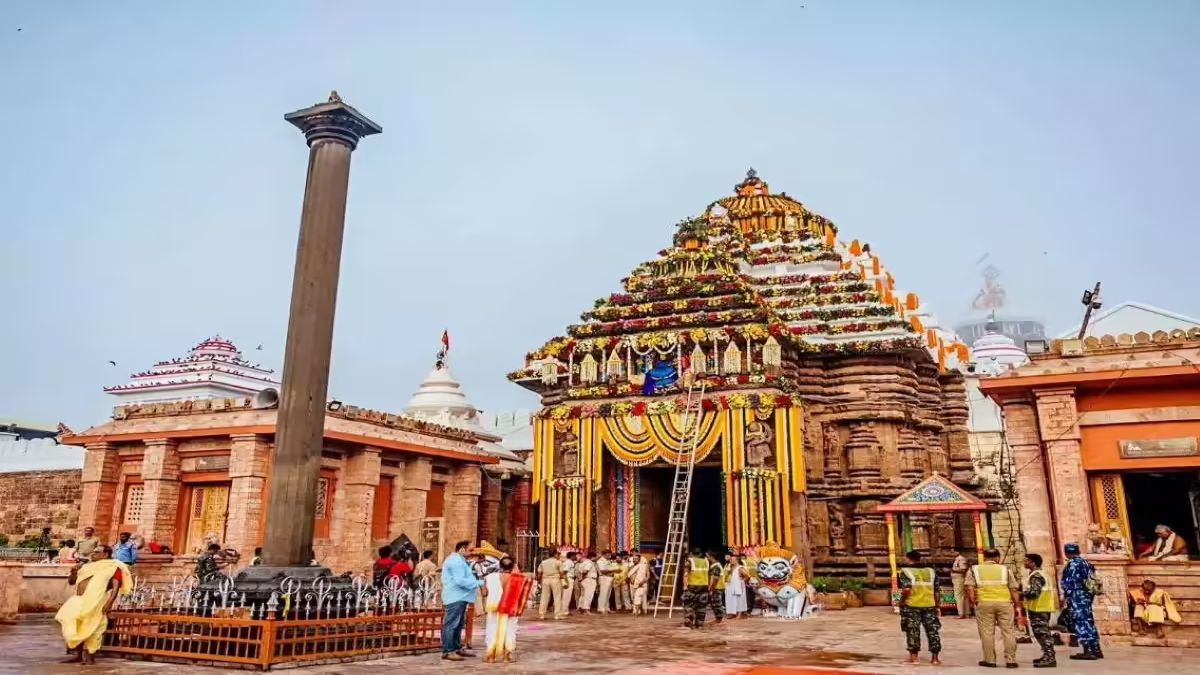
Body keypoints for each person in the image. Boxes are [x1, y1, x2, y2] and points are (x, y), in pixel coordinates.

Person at [55, 545, 133, 664]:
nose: (93, 554)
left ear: (106, 554)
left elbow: (116, 587)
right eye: (94, 551)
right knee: (74, 624)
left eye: (97, 552)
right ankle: (78, 655)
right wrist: (74, 572)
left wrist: (109, 603)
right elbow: (72, 582)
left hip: (97, 601)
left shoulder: (113, 567)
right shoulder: (86, 567)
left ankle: (90, 657)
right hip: (79, 599)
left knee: (93, 627)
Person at [966, 548, 1020, 668]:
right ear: (997, 557)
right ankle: (1011, 660)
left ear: (984, 557)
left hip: (984, 603)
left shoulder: (974, 569)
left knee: (987, 633)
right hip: (1005, 603)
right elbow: (1013, 589)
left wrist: (973, 603)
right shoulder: (1005, 569)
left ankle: (990, 660)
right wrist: (1017, 605)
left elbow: (970, 588)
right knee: (1008, 631)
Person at [482, 556, 533, 663]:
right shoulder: (518, 579)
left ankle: (491, 656)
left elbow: (484, 593)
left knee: (492, 629)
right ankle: (507, 656)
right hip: (510, 607)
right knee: (510, 630)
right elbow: (525, 589)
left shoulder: (490, 577)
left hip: (494, 606)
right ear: (513, 566)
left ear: (500, 566)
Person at [441, 540, 483, 662]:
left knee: (458, 624)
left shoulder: (461, 560)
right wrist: (479, 583)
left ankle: (456, 647)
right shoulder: (456, 561)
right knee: (452, 624)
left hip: (461, 596)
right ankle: (448, 650)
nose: (472, 552)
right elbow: (460, 581)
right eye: (470, 550)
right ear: (462, 549)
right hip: (455, 596)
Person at [898, 550, 942, 665]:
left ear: (908, 559)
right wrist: (937, 605)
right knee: (933, 631)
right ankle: (935, 658)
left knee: (912, 630)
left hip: (912, 605)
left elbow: (906, 589)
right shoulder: (931, 572)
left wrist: (901, 602)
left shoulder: (905, 571)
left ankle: (914, 657)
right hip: (930, 605)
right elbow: (937, 591)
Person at [1061, 542, 1102, 660]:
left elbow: (1070, 583)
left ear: (1067, 553)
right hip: (1087, 596)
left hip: (1077, 597)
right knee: (1089, 621)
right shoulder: (1086, 563)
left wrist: (1065, 598)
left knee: (1081, 623)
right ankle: (1096, 649)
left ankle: (1087, 651)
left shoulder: (1072, 564)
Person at [1021, 553, 1057, 668]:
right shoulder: (1040, 574)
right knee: (1041, 633)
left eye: (1027, 561)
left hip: (1039, 609)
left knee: (1043, 634)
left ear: (1033, 563)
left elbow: (1034, 593)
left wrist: (1022, 594)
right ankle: (1047, 655)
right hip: (1041, 608)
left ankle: (1050, 657)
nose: (1024, 562)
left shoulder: (1036, 576)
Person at [681, 548, 711, 628]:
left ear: (691, 553)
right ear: (700, 554)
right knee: (701, 606)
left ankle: (689, 622)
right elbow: (708, 574)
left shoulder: (689, 561)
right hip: (704, 586)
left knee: (689, 605)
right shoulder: (706, 561)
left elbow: (685, 574)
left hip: (692, 586)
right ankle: (699, 624)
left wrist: (685, 586)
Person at [536, 550, 564, 620]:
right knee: (557, 597)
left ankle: (541, 614)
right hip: (555, 580)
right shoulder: (558, 562)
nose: (558, 556)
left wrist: (539, 582)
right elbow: (561, 573)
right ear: (555, 554)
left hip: (545, 580)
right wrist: (563, 580)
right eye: (558, 554)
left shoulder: (543, 562)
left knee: (544, 597)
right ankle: (557, 615)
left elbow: (539, 573)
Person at [724, 554, 749, 619]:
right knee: (731, 599)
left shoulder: (740, 568)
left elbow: (747, 576)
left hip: (738, 586)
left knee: (739, 599)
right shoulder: (731, 567)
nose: (730, 561)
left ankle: (739, 614)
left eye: (732, 560)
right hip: (731, 586)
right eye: (730, 559)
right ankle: (732, 613)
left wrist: (742, 581)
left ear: (737, 560)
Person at [705, 550, 726, 623]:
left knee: (717, 603)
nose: (706, 558)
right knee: (715, 603)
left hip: (717, 587)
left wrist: (711, 589)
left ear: (711, 557)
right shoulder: (715, 565)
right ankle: (718, 619)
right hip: (717, 587)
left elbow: (715, 579)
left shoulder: (716, 566)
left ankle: (719, 620)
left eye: (707, 556)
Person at [629, 550, 651, 615]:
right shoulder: (631, 566)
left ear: (639, 559)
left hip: (642, 584)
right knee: (633, 597)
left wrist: (643, 581)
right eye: (634, 559)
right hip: (632, 584)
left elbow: (648, 576)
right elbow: (629, 575)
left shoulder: (644, 566)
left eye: (636, 559)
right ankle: (635, 610)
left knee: (643, 597)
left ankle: (644, 610)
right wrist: (632, 581)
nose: (634, 560)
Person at [952, 549, 972, 619]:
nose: (952, 553)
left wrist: (953, 570)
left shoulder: (961, 559)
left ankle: (961, 613)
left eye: (953, 551)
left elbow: (963, 569)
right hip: (959, 578)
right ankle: (967, 613)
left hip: (959, 578)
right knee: (964, 595)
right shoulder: (959, 559)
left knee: (959, 595)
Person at [561, 551, 578, 616]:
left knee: (566, 595)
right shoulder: (569, 562)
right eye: (575, 556)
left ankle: (565, 610)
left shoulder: (568, 562)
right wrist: (566, 581)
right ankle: (564, 611)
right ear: (571, 556)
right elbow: (564, 571)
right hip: (568, 578)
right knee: (566, 595)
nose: (576, 557)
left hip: (568, 578)